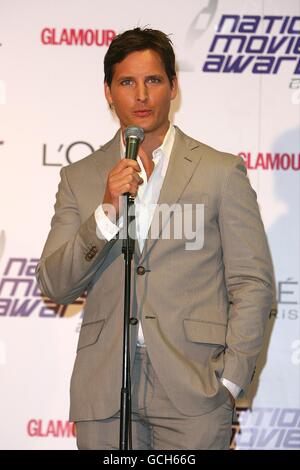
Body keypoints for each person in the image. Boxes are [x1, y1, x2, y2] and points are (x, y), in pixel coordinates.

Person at [36, 27, 274, 450]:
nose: (141, 96)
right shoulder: (80, 177)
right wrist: (107, 211)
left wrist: (230, 381)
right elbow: (55, 284)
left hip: (194, 390)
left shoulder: (221, 171)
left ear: (173, 86)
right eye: (127, 82)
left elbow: (251, 284)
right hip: (104, 389)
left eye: (153, 80)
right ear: (108, 92)